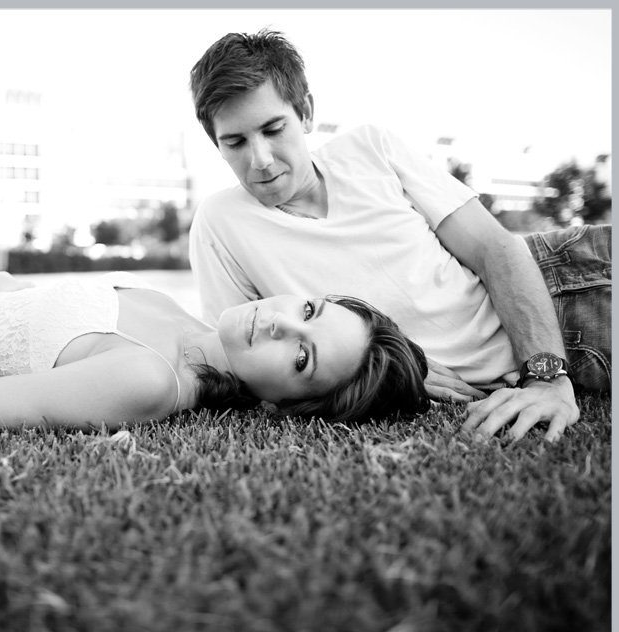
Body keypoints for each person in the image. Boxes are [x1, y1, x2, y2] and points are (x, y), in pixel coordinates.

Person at [188, 28, 611, 444]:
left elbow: (493, 247)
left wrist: (546, 376)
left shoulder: (370, 148)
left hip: (561, 283)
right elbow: (242, 366)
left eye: (273, 129)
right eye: (236, 142)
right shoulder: (220, 223)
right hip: (513, 365)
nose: (259, 159)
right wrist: (397, 369)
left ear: (306, 112)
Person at [0, 271, 431, 431]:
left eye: (301, 358)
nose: (279, 322)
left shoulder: (148, 379)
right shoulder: (180, 315)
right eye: (309, 311)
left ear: (287, 406)